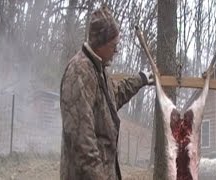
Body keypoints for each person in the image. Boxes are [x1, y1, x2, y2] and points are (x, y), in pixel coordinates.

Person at [59, 5, 153, 180]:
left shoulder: (97, 68)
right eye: (113, 46)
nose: (116, 51)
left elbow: (113, 97)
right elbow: (82, 143)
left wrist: (140, 79)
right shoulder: (80, 73)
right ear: (100, 43)